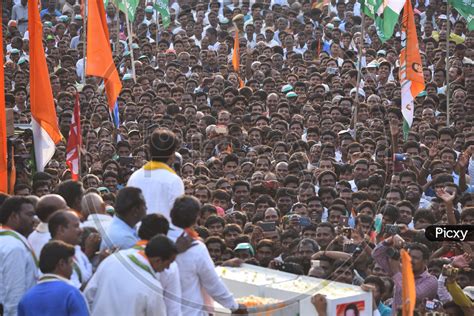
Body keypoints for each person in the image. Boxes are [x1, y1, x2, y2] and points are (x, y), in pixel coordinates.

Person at [169, 195, 244, 315]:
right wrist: (234, 306)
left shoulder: (157, 241)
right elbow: (212, 282)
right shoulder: (195, 247)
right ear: (196, 218)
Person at [84, 235, 178, 316]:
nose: (168, 268)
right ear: (158, 260)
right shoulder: (152, 287)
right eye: (169, 263)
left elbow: (88, 295)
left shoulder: (113, 260)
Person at [127, 129, 185, 238]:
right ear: (173, 155)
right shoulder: (174, 180)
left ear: (149, 152)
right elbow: (178, 217)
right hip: (166, 241)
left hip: (137, 239)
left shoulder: (135, 177)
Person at [17, 240, 89, 316]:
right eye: (71, 262)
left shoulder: (26, 298)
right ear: (62, 264)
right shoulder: (71, 293)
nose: (72, 267)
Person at [0, 197, 38, 316]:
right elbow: (14, 295)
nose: (34, 220)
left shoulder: (6, 240)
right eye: (30, 215)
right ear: (13, 216)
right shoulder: (14, 247)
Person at [48, 210, 93, 289]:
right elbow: (76, 290)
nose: (81, 230)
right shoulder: (54, 257)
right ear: (61, 229)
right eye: (76, 226)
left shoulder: (75, 249)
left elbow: (86, 277)